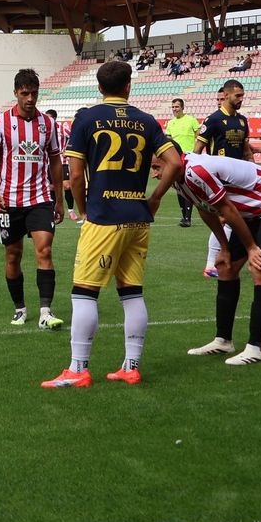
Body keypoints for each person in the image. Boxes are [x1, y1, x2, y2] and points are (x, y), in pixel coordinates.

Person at [41, 60, 180, 388]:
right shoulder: (146, 121)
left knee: (84, 293)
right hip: (138, 218)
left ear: (100, 88)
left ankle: (78, 369)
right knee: (131, 292)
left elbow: (75, 174)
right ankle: (131, 366)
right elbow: (174, 162)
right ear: (129, 86)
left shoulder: (87, 118)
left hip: (104, 217)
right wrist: (155, 197)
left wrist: (84, 208)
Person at [163, 151, 261, 367]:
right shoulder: (178, 178)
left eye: (156, 167)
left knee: (260, 268)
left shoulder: (196, 171)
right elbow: (205, 209)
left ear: (172, 161)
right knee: (225, 267)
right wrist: (224, 248)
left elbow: (227, 209)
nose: (154, 174)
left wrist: (251, 248)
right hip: (251, 212)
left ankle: (255, 348)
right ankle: (223, 340)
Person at [0, 69, 65, 329]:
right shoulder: (1, 122)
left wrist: (59, 199)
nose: (30, 99)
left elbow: (55, 161)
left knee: (45, 250)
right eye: (25, 93)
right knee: (13, 255)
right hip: (8, 201)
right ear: (16, 93)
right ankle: (20, 308)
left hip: (40, 198)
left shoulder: (48, 124)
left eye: (34, 93)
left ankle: (45, 312)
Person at [195, 79, 255, 278]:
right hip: (219, 180)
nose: (241, 99)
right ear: (226, 95)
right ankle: (210, 264)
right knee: (223, 220)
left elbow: (246, 151)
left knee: (241, 219)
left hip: (240, 179)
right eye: (238, 96)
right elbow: (197, 150)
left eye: (242, 96)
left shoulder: (242, 120)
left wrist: (254, 169)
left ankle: (236, 258)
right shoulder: (213, 120)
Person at [165, 97, 201, 227]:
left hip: (189, 157)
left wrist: (196, 152)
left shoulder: (191, 120)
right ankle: (184, 216)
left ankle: (187, 217)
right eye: (173, 107)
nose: (174, 109)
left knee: (187, 186)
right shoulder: (171, 123)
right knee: (178, 187)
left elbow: (199, 137)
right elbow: (168, 140)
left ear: (182, 107)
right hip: (175, 158)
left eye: (177, 107)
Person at [45, 108, 80, 222]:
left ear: (54, 118)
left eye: (49, 117)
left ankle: (70, 210)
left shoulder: (62, 129)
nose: (47, 120)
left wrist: (67, 150)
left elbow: (73, 138)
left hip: (62, 161)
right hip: (49, 162)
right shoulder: (44, 129)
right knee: (52, 187)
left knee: (67, 185)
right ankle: (53, 210)